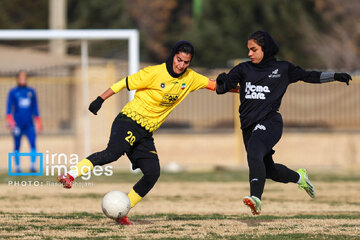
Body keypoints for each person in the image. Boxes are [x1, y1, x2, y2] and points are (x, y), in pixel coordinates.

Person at [58, 40, 224, 225]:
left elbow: (215, 85)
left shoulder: (190, 77)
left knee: (153, 173)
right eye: (179, 60)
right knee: (113, 153)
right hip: (128, 121)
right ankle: (70, 174)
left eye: (186, 62)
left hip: (145, 133)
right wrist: (99, 99)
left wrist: (242, 89)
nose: (181, 65)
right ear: (173, 56)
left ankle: (122, 211)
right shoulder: (153, 73)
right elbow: (123, 83)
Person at [216, 30, 352, 215]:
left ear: (265, 49)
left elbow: (308, 76)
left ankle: (255, 198)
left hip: (270, 122)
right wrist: (222, 81)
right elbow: (222, 88)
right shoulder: (243, 69)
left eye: (253, 49)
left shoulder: (283, 69)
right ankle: (300, 177)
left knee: (255, 149)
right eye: (248, 50)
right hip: (248, 126)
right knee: (269, 171)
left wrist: (335, 76)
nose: (249, 53)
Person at [6, 71, 43, 173]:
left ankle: (32, 166)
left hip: (29, 124)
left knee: (33, 143)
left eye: (24, 77)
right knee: (17, 145)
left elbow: (35, 107)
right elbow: (9, 107)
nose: (23, 79)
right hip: (17, 124)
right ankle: (18, 168)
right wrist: (9, 119)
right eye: (21, 77)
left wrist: (38, 121)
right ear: (18, 79)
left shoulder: (31, 91)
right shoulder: (13, 92)